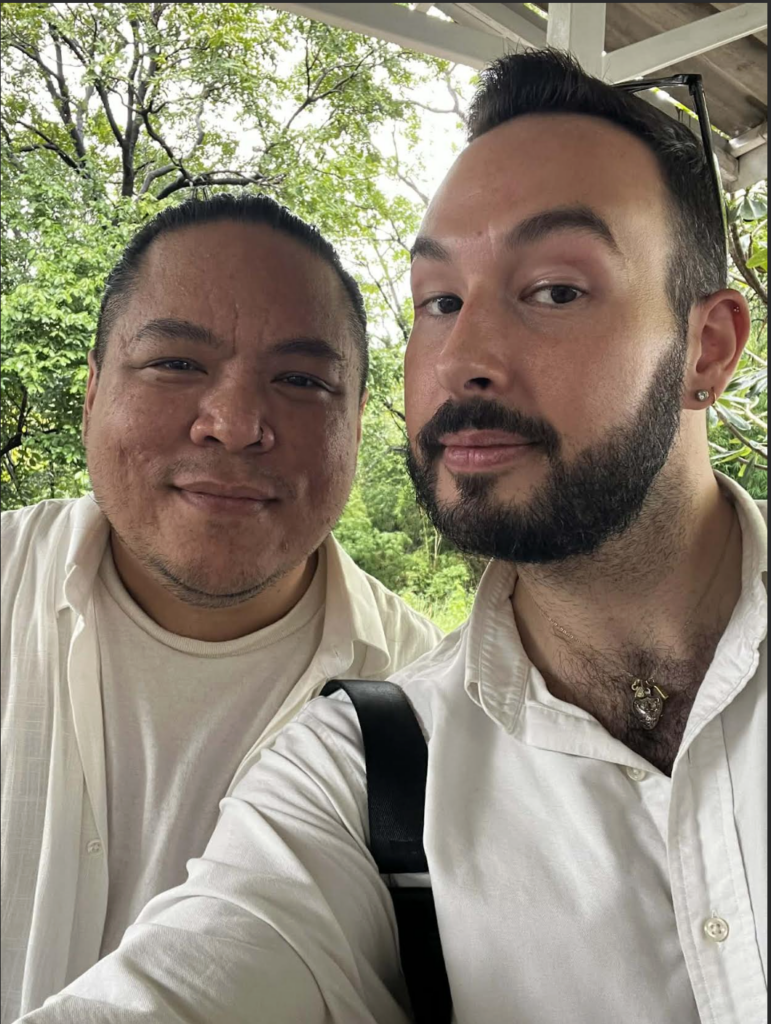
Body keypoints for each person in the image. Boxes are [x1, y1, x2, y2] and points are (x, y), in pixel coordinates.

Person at [18, 49, 767, 1024]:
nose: (464, 358)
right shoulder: (369, 762)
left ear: (706, 349)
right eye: (439, 302)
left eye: (552, 290)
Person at [0, 193, 443, 1024]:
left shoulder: (434, 710)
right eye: (175, 363)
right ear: (92, 393)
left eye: (302, 381)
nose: (235, 424)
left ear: (356, 428)